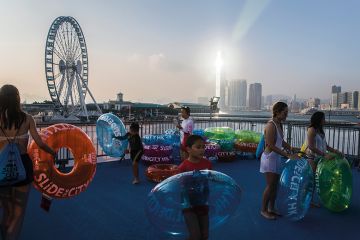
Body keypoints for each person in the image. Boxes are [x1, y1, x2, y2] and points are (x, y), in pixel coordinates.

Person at [0, 84, 56, 240]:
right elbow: (39, 142)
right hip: (23, 166)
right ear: (17, 98)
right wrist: (53, 152)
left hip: (1, 167)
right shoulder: (28, 118)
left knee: (6, 210)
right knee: (18, 213)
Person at [260, 101, 299, 220]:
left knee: (275, 186)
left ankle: (271, 208)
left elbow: (280, 141)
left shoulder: (279, 124)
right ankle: (263, 210)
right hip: (269, 158)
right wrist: (287, 155)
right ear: (277, 112)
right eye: (285, 113)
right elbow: (271, 145)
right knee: (270, 186)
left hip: (275, 158)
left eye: (287, 113)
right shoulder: (271, 125)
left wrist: (290, 148)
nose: (287, 115)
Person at [178, 135, 212, 240]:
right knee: (195, 235)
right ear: (188, 149)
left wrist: (229, 185)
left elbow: (211, 179)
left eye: (203, 147)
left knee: (204, 235)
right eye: (198, 147)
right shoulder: (183, 167)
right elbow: (181, 188)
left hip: (203, 202)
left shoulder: (208, 164)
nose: (202, 149)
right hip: (188, 205)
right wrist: (187, 204)